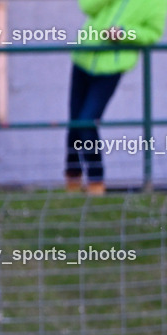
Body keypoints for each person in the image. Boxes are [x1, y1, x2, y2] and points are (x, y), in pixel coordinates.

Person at [66, 0, 167, 194]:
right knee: (74, 123)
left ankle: (96, 183)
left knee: (86, 122)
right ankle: (72, 180)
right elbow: (87, 7)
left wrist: (123, 33)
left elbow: (152, 34)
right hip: (83, 58)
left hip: (111, 68)